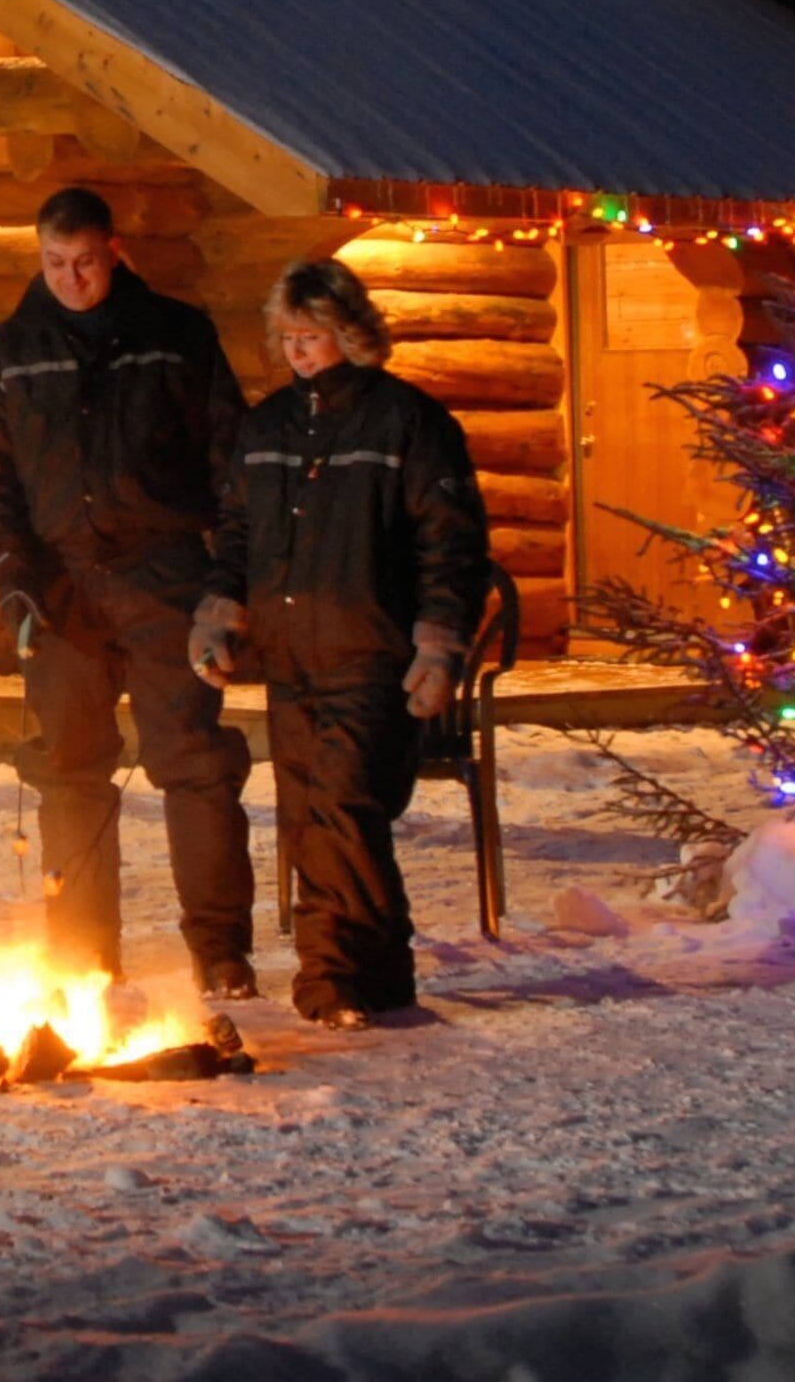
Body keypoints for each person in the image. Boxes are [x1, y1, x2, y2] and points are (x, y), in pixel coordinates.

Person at [0, 186, 259, 1018]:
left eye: (85, 262)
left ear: (114, 251)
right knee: (69, 773)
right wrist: (13, 579)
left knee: (194, 765)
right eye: (54, 263)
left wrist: (225, 582)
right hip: (59, 589)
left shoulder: (176, 336)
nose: (71, 279)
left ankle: (221, 952)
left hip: (166, 578)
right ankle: (83, 958)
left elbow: (232, 465)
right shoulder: (11, 352)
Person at [210, 259, 491, 1029]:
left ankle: (328, 979)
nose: (299, 351)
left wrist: (439, 644)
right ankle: (385, 972)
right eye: (288, 337)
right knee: (316, 817)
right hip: (289, 654)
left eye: (313, 336)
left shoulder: (407, 422)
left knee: (341, 805)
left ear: (351, 334)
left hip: (374, 653)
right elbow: (236, 533)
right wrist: (221, 609)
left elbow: (451, 543)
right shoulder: (267, 427)